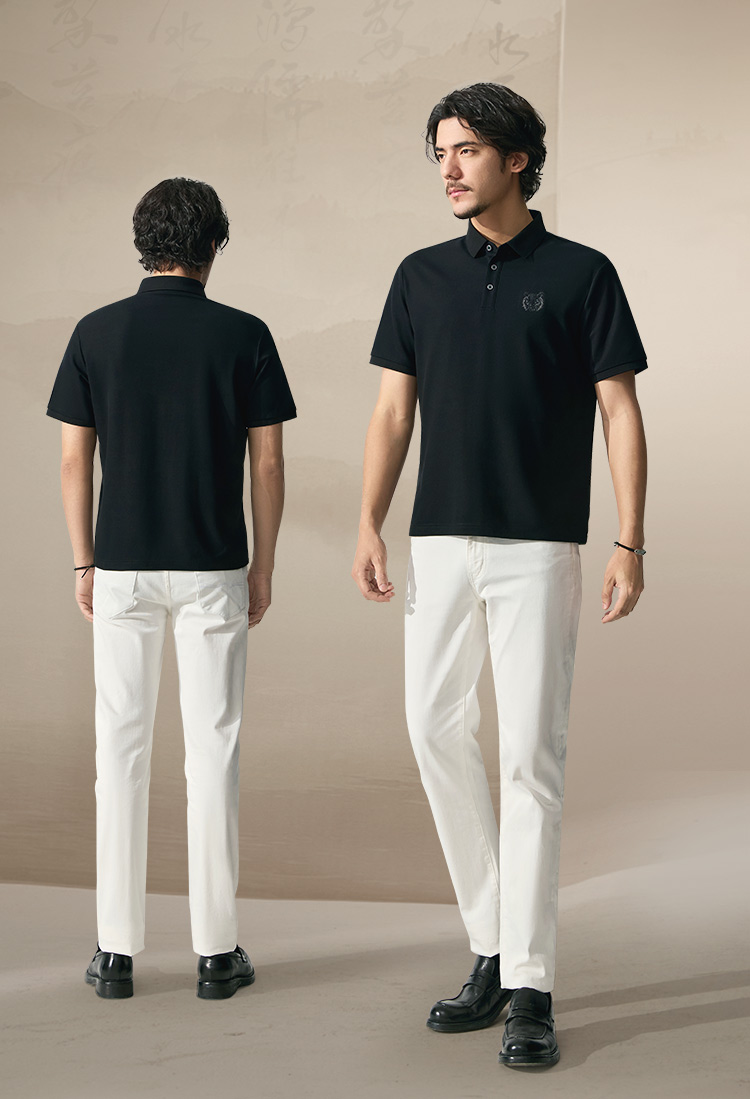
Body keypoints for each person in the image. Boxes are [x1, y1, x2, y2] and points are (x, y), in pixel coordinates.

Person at [352, 82, 648, 1068]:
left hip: (538, 547)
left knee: (529, 759)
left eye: (468, 149)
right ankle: (492, 938)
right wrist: (368, 522)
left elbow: (619, 409)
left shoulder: (582, 274)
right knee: (433, 731)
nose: (448, 167)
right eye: (440, 150)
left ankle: (529, 985)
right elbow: (393, 411)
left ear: (518, 159)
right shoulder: (420, 275)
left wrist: (629, 539)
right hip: (438, 542)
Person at [46, 177, 297, 1000]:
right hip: (214, 564)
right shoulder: (245, 335)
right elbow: (267, 462)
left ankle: (113, 953)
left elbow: (75, 458)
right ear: (214, 244)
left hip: (121, 565)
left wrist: (84, 560)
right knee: (213, 749)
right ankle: (217, 954)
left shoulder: (96, 332)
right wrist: (263, 564)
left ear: (142, 243)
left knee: (118, 748)